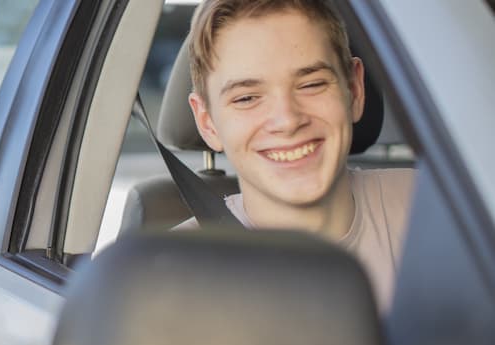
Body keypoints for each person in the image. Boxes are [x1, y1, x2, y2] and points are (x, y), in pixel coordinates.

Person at [176, 0, 415, 311]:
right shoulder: (170, 273)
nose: (288, 120)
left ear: (355, 89)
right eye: (247, 98)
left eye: (312, 84)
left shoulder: (437, 209)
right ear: (208, 122)